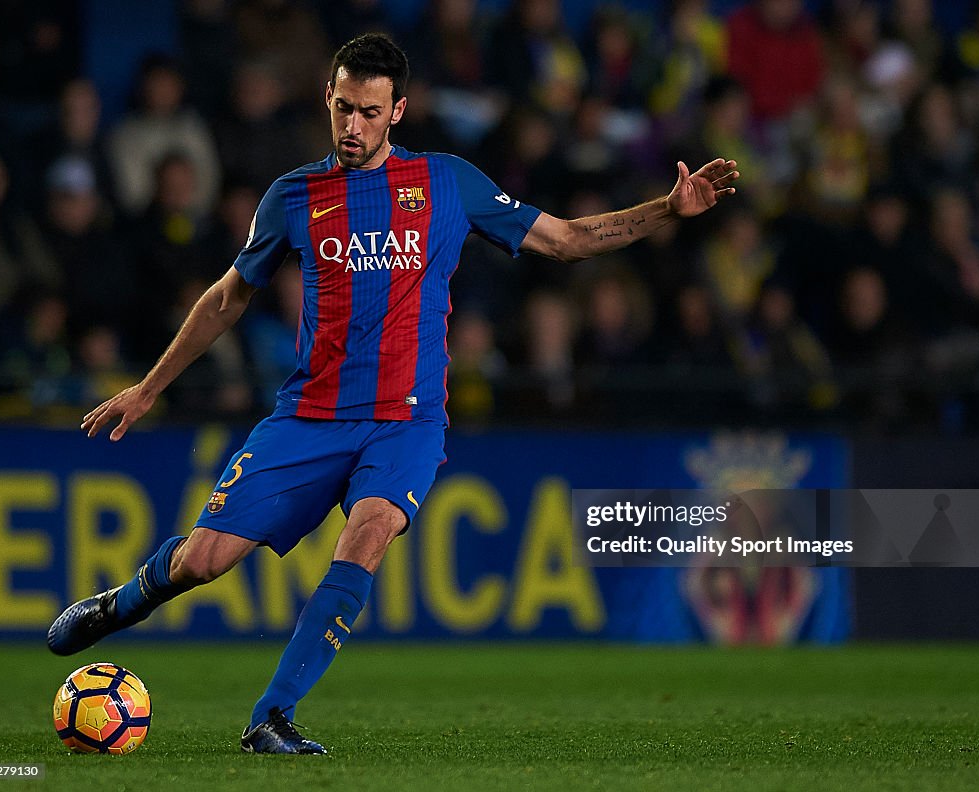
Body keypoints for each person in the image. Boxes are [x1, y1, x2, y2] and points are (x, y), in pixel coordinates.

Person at [47, 33, 739, 755]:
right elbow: (226, 299)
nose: (353, 126)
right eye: (343, 108)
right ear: (328, 99)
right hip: (309, 416)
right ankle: (117, 604)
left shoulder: (448, 183)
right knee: (204, 562)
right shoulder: (293, 196)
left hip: (406, 423)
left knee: (369, 530)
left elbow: (564, 240)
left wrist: (665, 209)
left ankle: (270, 718)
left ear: (398, 110)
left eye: (369, 112)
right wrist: (149, 387)